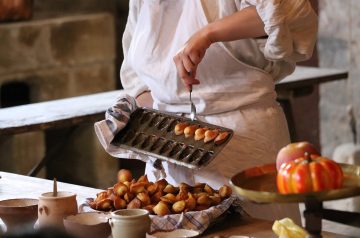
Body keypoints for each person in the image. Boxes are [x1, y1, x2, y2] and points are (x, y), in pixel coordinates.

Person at [114, 0, 317, 223]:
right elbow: (136, 78)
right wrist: (150, 127)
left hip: (242, 144)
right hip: (169, 150)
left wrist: (209, 33)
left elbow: (291, 13)